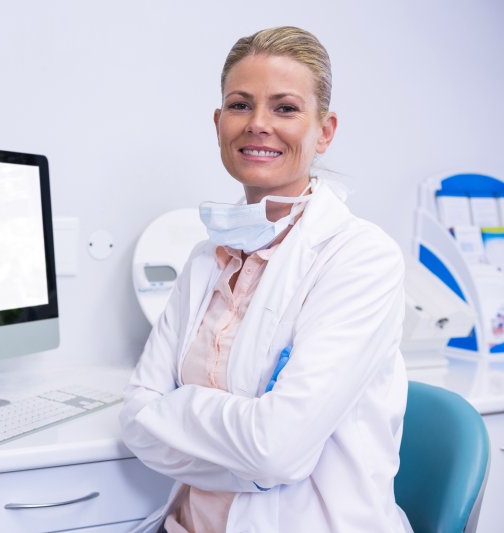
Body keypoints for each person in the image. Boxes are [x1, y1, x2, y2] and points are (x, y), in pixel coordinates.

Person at [119, 26, 412, 533]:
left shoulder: (360, 258)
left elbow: (277, 452)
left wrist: (176, 409)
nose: (258, 124)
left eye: (285, 108)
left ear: (324, 130)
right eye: (239, 105)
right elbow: (136, 421)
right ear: (218, 123)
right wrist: (247, 449)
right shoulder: (205, 258)